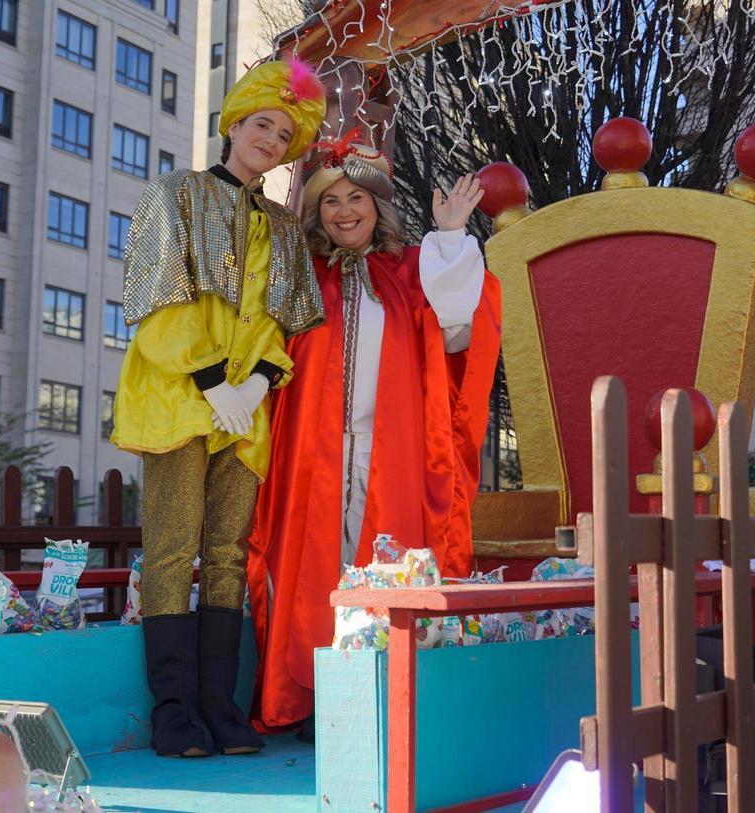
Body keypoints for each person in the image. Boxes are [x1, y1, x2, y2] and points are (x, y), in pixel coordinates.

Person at [248, 132, 502, 735]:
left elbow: (461, 335)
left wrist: (447, 239)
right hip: (309, 452)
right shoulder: (298, 276)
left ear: (377, 206)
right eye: (330, 201)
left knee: (380, 563)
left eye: (355, 197)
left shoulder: (411, 272)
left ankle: (379, 692)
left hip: (390, 451)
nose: (344, 211)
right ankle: (312, 695)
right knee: (311, 569)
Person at [110, 58, 326, 758]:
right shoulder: (172, 194)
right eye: (263, 122)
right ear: (235, 123)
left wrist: (255, 387)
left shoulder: (285, 230)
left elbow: (284, 320)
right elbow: (155, 299)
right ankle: (174, 709)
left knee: (227, 555)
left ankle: (218, 705)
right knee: (172, 550)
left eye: (285, 133)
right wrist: (213, 384)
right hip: (179, 400)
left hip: (244, 413)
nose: (270, 137)